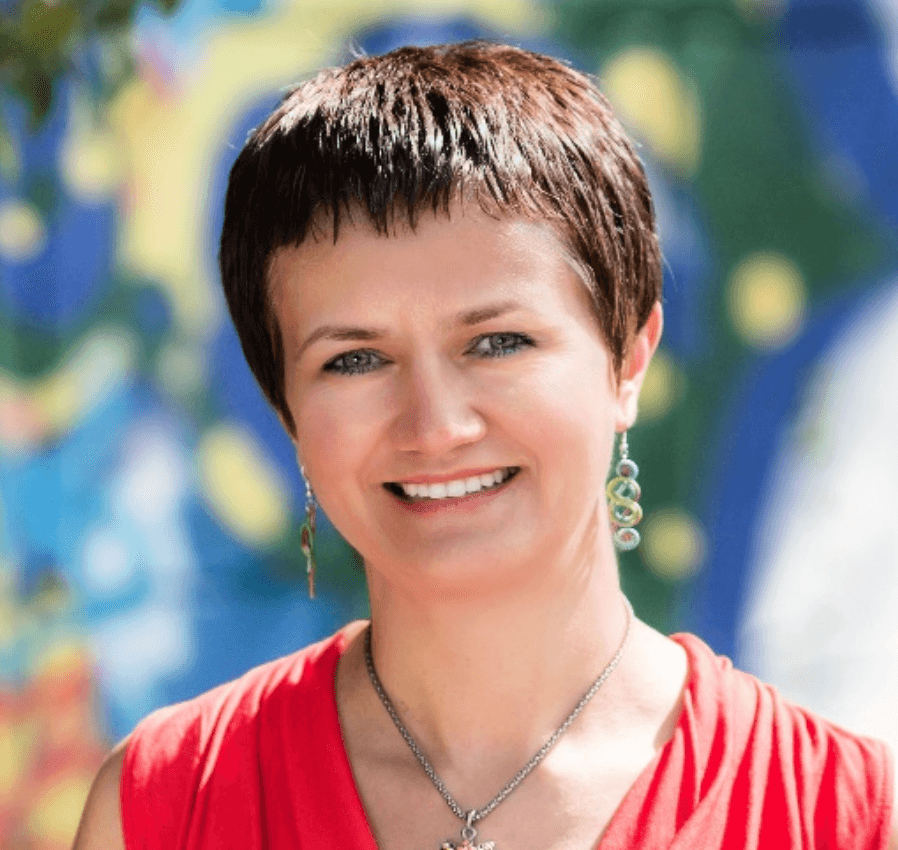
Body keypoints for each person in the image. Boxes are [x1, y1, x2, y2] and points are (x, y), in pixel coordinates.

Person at [72, 42, 896, 850]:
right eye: (354, 359)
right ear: (285, 404)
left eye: (497, 342)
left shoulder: (846, 817)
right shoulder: (163, 805)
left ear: (628, 358)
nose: (433, 424)